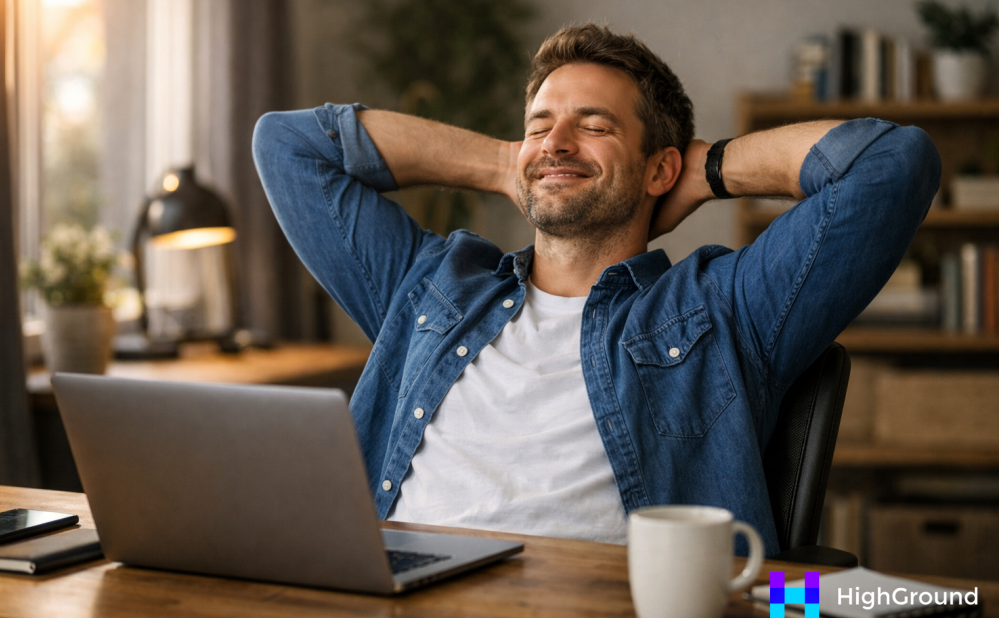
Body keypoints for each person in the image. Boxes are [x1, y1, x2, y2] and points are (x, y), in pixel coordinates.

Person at [252, 23, 939, 555]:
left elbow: (891, 166)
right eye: (539, 124)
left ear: (658, 169)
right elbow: (286, 146)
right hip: (394, 604)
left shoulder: (719, 308)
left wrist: (708, 169)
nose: (556, 142)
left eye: (595, 125)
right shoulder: (432, 287)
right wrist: (508, 163)